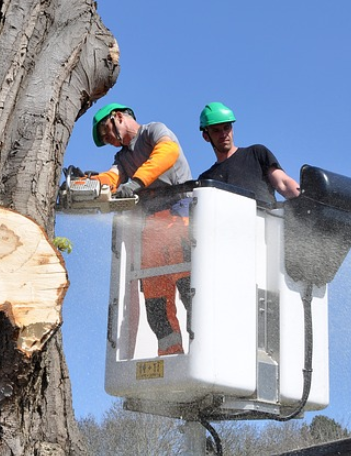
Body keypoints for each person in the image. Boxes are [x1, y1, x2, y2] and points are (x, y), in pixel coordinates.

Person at [90, 102, 193, 356]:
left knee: (192, 293)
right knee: (156, 303)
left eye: (107, 132)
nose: (109, 140)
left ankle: (205, 355)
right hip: (151, 227)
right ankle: (172, 360)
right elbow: (112, 177)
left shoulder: (153, 131)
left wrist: (137, 182)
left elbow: (168, 152)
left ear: (118, 117)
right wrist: (89, 183)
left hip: (178, 215)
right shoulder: (122, 158)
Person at [198, 102, 300, 206]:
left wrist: (306, 201)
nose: (223, 134)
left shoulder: (256, 154)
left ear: (232, 129)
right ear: (206, 136)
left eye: (226, 127)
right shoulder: (206, 180)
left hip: (265, 221)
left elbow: (283, 183)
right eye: (216, 130)